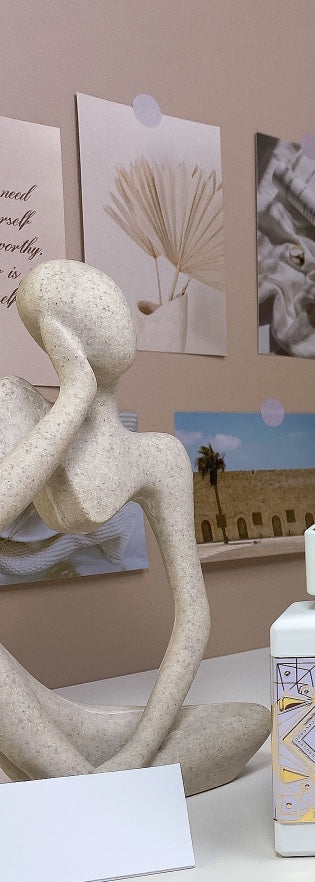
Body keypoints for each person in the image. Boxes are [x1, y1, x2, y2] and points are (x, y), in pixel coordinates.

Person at [0, 260, 268, 794]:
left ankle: (84, 781)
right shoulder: (19, 406)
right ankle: (88, 789)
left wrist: (139, 749)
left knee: (251, 720)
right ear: (57, 336)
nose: (116, 313)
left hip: (119, 740)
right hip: (24, 696)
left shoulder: (158, 457)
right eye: (87, 303)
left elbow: (193, 619)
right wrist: (75, 392)